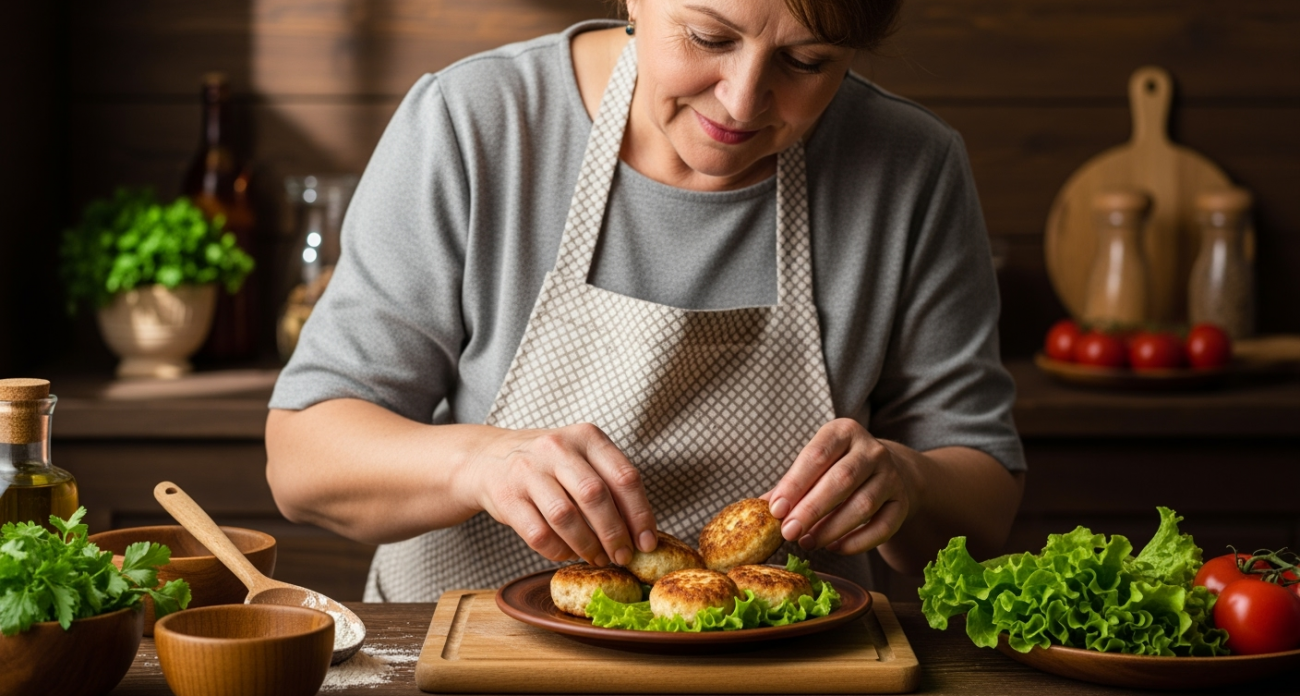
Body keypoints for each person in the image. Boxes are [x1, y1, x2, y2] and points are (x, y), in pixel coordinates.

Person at [266, 0, 1026, 602]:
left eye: (805, 61)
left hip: (778, 672)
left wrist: (909, 484)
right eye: (707, 36)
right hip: (470, 660)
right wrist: (480, 462)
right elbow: (302, 460)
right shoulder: (475, 123)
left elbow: (985, 504)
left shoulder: (912, 168)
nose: (743, 100)